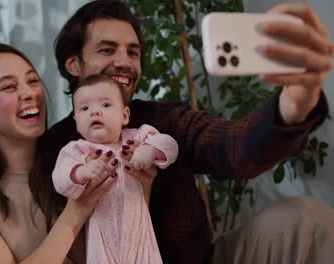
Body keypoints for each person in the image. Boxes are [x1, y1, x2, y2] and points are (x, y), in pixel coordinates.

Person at [40, 0, 334, 263]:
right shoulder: (56, 148)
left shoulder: (164, 120)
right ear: (73, 64)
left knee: (308, 218)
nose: (125, 62)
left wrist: (297, 101)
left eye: (133, 52)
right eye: (107, 49)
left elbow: (233, 149)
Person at [0, 43, 119, 263]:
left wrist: (142, 187)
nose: (29, 92)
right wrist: (76, 213)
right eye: (9, 87)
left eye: (32, 81)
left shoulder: (76, 169)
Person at [52, 74, 178, 263]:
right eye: (85, 108)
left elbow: (170, 146)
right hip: (101, 236)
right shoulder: (78, 150)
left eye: (105, 105)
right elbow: (60, 180)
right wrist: (82, 171)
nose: (94, 112)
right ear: (76, 122)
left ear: (125, 115)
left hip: (140, 233)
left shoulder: (138, 136)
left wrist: (150, 150)